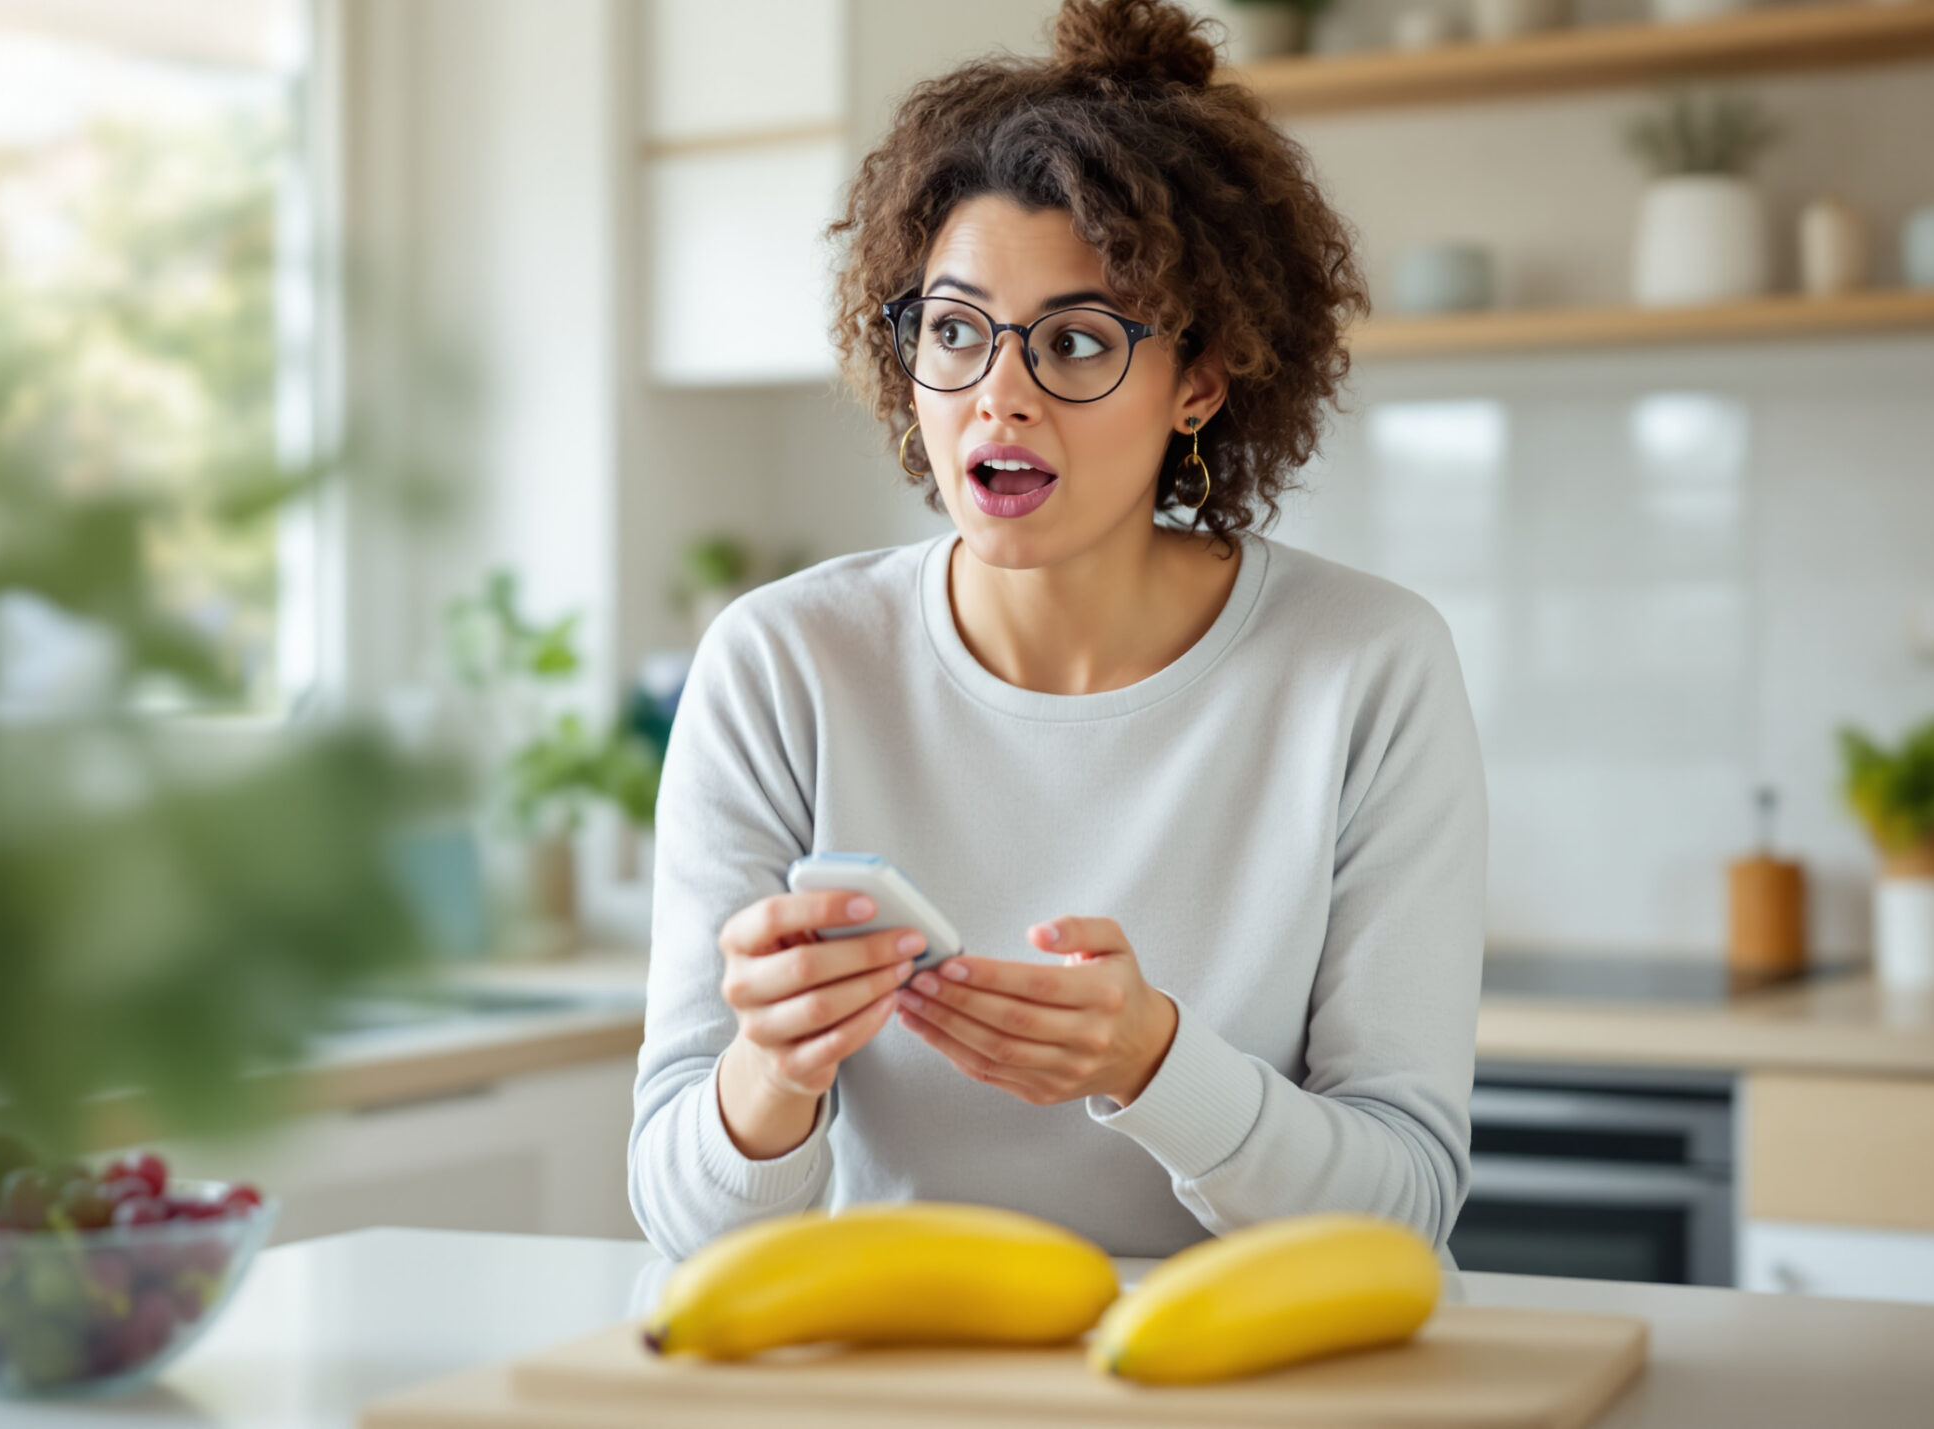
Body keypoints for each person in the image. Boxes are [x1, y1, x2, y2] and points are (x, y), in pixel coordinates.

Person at [626, 0, 1486, 1264]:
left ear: (1200, 377)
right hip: (900, 1366)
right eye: (956, 332)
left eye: (1076, 341)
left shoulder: (1365, 666)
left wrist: (1156, 1064)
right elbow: (681, 1218)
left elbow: (1405, 1206)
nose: (999, 396)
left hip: (1241, 1373)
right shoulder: (781, 663)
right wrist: (773, 1063)